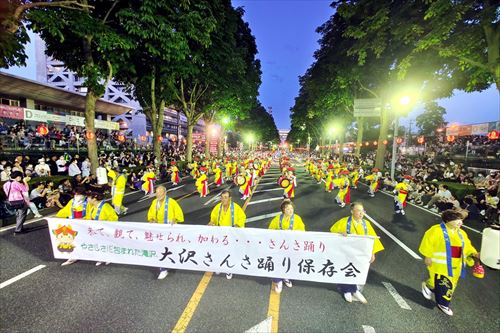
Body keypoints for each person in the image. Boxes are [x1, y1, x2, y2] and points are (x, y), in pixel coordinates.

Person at [419, 209, 479, 316]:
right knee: (445, 284)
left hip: (456, 265)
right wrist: (428, 256)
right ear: (448, 220)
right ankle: (443, 304)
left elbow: (467, 246)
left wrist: (474, 254)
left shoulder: (462, 233)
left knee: (451, 284)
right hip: (440, 264)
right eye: (457, 220)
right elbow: (428, 242)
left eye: (461, 220)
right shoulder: (436, 230)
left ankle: (428, 286)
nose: (460, 222)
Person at [330, 202, 384, 303]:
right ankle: (347, 290)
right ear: (352, 211)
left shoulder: (366, 224)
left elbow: (372, 239)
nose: (361, 213)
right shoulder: (344, 221)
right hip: (346, 253)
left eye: (363, 211)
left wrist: (372, 253)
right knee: (346, 269)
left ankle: (354, 289)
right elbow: (333, 231)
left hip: (360, 254)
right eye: (358, 210)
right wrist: (340, 233)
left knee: (357, 270)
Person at [147, 185, 185, 279]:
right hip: (158, 230)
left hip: (169, 231)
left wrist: (175, 218)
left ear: (165, 193)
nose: (158, 194)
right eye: (157, 192)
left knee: (169, 248)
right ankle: (163, 269)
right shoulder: (154, 202)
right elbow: (150, 214)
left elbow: (179, 215)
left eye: (160, 192)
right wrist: (151, 219)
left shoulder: (172, 202)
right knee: (161, 249)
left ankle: (170, 263)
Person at [268, 200, 305, 293]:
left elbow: (303, 231)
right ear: (283, 210)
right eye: (288, 209)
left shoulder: (297, 218)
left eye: (291, 208)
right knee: (277, 262)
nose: (290, 210)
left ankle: (286, 277)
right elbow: (270, 229)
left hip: (291, 246)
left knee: (289, 262)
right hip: (280, 245)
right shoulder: (278, 219)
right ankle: (278, 281)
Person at [208, 189, 246, 279]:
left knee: (230, 252)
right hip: (220, 234)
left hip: (231, 234)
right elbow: (213, 219)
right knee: (219, 250)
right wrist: (211, 223)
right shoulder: (218, 207)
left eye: (225, 197)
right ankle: (220, 266)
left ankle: (229, 269)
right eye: (222, 198)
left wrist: (237, 225)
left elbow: (242, 217)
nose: (223, 200)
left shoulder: (236, 207)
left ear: (230, 198)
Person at [56, 187, 92, 266]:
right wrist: (57, 217)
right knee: (73, 240)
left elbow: (92, 211)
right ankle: (73, 256)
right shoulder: (72, 202)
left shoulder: (88, 202)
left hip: (85, 224)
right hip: (73, 224)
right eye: (75, 194)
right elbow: (65, 210)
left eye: (79, 194)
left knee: (88, 240)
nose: (77, 196)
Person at [86, 191, 119, 266]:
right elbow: (88, 217)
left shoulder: (106, 206)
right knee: (99, 243)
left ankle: (110, 257)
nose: (87, 199)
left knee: (107, 243)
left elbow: (114, 218)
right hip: (96, 229)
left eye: (88, 197)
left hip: (105, 229)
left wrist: (107, 225)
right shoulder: (92, 207)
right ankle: (101, 257)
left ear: (94, 199)